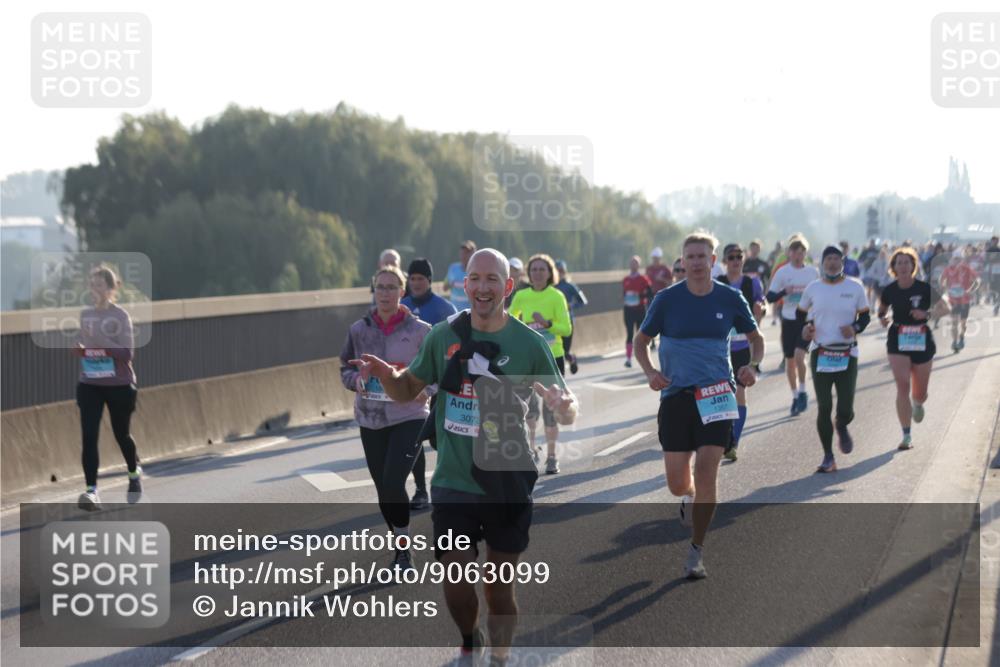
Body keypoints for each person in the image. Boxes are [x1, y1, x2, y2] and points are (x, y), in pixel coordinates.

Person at [351, 249, 577, 663]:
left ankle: (500, 658)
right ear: (465, 284)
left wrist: (564, 406)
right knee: (455, 583)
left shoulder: (528, 344)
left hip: (507, 478)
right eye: (475, 279)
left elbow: (566, 405)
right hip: (454, 481)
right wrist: (387, 375)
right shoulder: (443, 336)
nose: (483, 287)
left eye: (492, 279)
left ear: (508, 287)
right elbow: (407, 390)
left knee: (499, 588)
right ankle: (471, 638)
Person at [633, 232, 763, 579]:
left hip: (717, 394)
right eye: (689, 257)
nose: (695, 262)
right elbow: (641, 341)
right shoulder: (666, 300)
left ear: (713, 260)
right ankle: (688, 495)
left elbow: (756, 339)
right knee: (678, 483)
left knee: (707, 472)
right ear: (682, 261)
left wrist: (753, 366)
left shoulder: (730, 298)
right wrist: (650, 372)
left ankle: (696, 550)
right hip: (676, 397)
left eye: (701, 256)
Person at [341, 265, 432, 570]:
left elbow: (437, 370)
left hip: (410, 415)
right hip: (372, 417)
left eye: (392, 287)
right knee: (383, 489)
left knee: (394, 483)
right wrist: (357, 380)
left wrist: (425, 390)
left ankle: (404, 551)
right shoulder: (359, 330)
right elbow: (345, 368)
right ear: (374, 291)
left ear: (402, 292)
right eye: (380, 287)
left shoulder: (420, 331)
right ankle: (399, 542)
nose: (385, 293)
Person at [73, 265, 142, 511]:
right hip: (90, 383)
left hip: (119, 384)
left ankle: (133, 472)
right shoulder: (86, 315)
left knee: (121, 434)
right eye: (92, 284)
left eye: (100, 284)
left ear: (112, 289)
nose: (95, 289)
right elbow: (89, 347)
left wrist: (99, 340)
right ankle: (91, 491)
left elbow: (127, 354)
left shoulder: (121, 316)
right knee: (89, 436)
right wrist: (82, 350)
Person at [799, 246, 870, 473]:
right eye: (828, 258)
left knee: (846, 408)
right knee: (824, 406)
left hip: (847, 353)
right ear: (822, 262)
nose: (832, 262)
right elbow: (801, 315)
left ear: (842, 261)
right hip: (821, 352)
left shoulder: (855, 287)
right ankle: (828, 456)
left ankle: (841, 423)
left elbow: (865, 316)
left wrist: (855, 327)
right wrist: (806, 329)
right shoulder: (813, 288)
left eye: (836, 258)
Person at [401, 258, 458, 510]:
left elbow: (458, 342)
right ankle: (421, 491)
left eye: (420, 279)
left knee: (438, 439)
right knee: (413, 437)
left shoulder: (444, 308)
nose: (416, 283)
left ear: (430, 281)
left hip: (440, 382)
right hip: (411, 381)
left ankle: (452, 480)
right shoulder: (402, 306)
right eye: (412, 278)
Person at [878, 247, 948, 451]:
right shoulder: (889, 290)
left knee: (920, 393)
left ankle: (917, 403)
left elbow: (945, 308)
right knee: (902, 385)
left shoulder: (924, 288)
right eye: (898, 263)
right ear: (893, 267)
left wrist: (927, 314)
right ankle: (906, 435)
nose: (902, 266)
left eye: (906, 262)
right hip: (897, 338)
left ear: (913, 266)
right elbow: (881, 311)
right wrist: (883, 318)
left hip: (922, 339)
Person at [510, 254, 573, 474]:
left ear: (549, 273)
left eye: (542, 269)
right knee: (528, 408)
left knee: (550, 408)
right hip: (527, 359)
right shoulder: (521, 295)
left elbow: (566, 329)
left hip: (552, 358)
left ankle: (552, 457)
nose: (537, 273)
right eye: (534, 269)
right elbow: (508, 321)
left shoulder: (556, 296)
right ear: (528, 273)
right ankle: (531, 448)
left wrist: (546, 324)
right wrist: (522, 328)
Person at [715, 244, 765, 462]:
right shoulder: (717, 283)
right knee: (723, 394)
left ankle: (733, 441)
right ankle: (724, 435)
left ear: (743, 259)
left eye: (739, 257)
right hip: (721, 348)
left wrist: (760, 308)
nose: (735, 260)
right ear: (725, 261)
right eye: (731, 257)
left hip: (743, 345)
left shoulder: (751, 282)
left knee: (740, 391)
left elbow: (762, 302)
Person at [766, 236, 819, 416]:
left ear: (805, 254)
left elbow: (821, 294)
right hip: (788, 320)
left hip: (806, 321)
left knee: (799, 355)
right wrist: (784, 292)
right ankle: (795, 395)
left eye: (802, 251)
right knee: (790, 362)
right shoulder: (782, 272)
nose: (798, 255)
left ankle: (803, 391)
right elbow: (770, 297)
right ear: (789, 253)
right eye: (795, 251)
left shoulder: (812, 272)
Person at [940, 249, 980, 352]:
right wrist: (945, 289)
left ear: (962, 259)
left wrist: (970, 291)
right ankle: (954, 342)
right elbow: (942, 280)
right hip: (953, 300)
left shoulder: (967, 269)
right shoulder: (948, 269)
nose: (957, 261)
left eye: (959, 259)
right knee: (954, 322)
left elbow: (977, 281)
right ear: (952, 259)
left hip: (965, 300)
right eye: (955, 258)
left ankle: (961, 337)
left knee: (963, 323)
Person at [555, 259, 588, 375]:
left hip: (567, 321)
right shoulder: (549, 287)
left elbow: (583, 301)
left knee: (564, 351)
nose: (559, 273)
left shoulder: (570, 286)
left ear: (565, 272)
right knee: (555, 351)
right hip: (552, 323)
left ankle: (571, 358)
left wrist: (571, 305)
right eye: (556, 270)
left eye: (561, 270)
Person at [622, 255, 654, 368]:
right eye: (632, 263)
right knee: (629, 333)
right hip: (628, 310)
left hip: (640, 309)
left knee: (641, 335)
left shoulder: (644, 279)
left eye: (635, 263)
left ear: (638, 265)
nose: (633, 265)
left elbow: (650, 293)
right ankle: (628, 359)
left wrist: (639, 296)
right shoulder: (625, 280)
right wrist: (628, 298)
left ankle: (644, 359)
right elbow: (624, 294)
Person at [646, 248, 672, 351]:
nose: (655, 260)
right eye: (653, 258)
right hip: (650, 297)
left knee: (663, 319)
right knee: (650, 318)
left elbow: (671, 282)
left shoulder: (665, 269)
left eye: (656, 258)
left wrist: (662, 279)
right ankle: (652, 341)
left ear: (660, 258)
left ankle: (663, 339)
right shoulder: (649, 269)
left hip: (662, 297)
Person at [445, 240, 476, 311]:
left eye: (467, 253)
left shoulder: (478, 271)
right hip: (455, 311)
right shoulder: (452, 268)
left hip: (471, 311)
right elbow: (445, 287)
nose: (464, 255)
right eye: (462, 253)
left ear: (473, 254)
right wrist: (452, 284)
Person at [986, 236, 1000, 316]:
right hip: (992, 272)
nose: (994, 242)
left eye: (996, 241)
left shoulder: (998, 249)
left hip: (998, 272)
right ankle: (994, 303)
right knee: (993, 290)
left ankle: (996, 306)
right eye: (993, 241)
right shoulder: (989, 250)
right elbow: (986, 260)